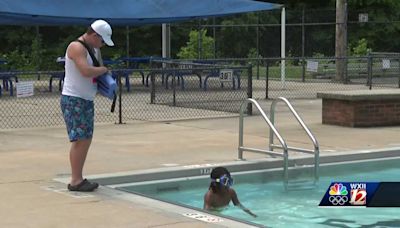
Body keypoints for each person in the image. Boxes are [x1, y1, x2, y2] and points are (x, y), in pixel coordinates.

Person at [60, 19, 114, 192]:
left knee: (86, 138)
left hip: (86, 99)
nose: (102, 44)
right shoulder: (76, 47)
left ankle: (79, 177)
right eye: (102, 40)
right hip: (74, 99)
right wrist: (104, 70)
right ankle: (76, 180)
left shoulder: (94, 49)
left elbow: (94, 71)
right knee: (80, 139)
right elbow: (85, 71)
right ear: (94, 35)